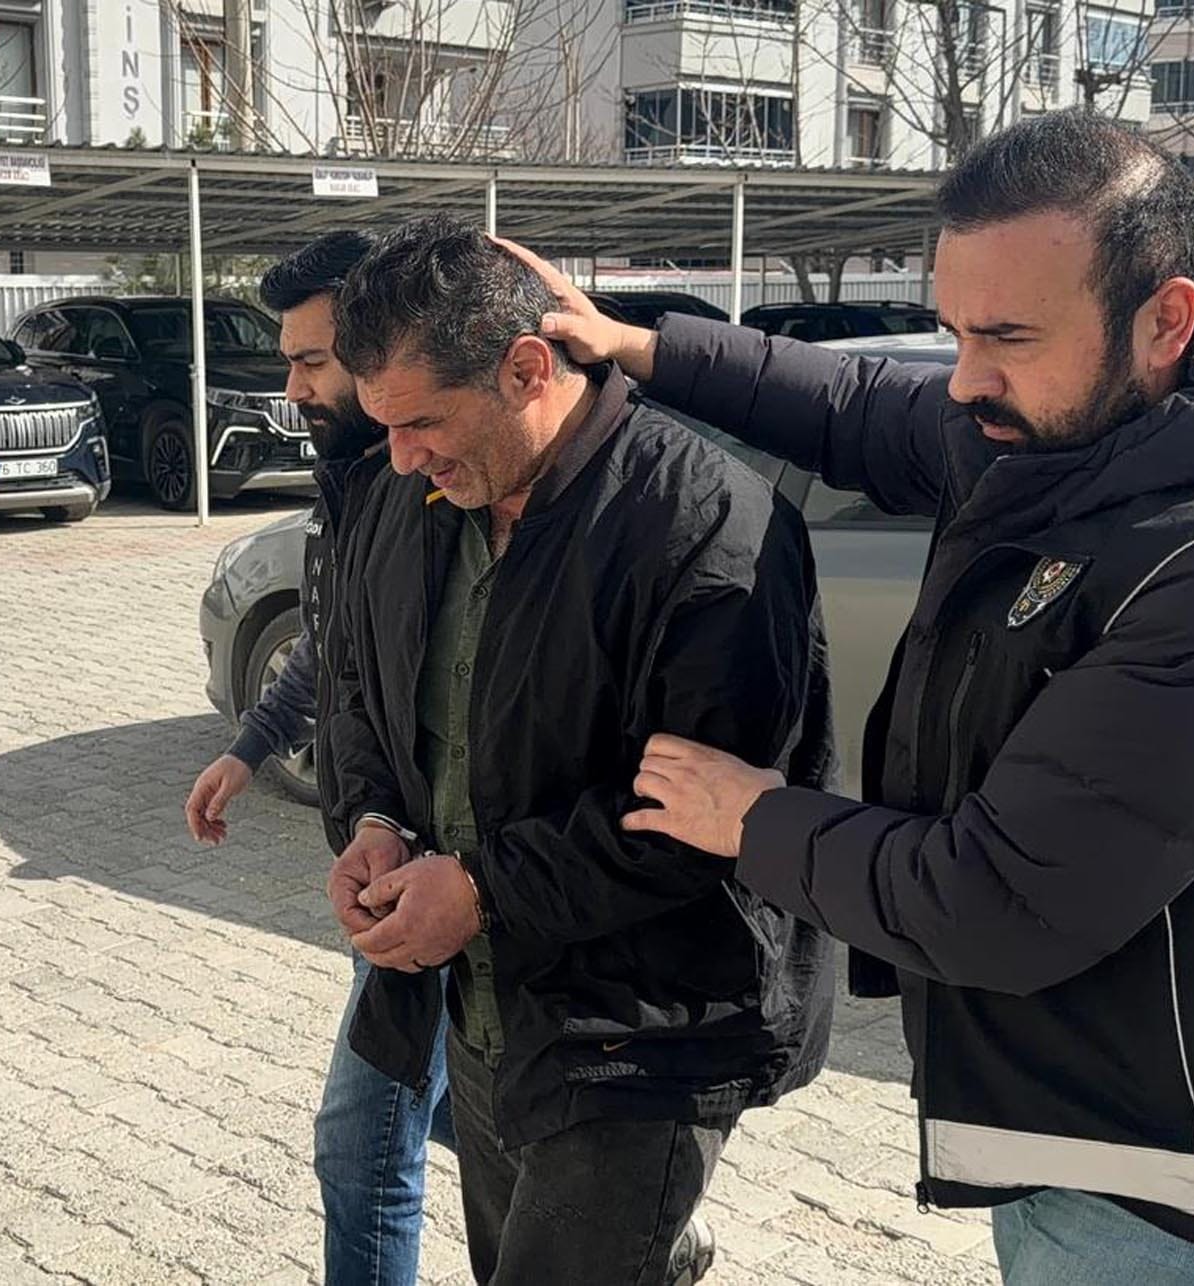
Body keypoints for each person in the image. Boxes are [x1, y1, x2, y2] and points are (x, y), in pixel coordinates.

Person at [516, 110, 1194, 1286]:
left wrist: (753, 818)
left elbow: (997, 898)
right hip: (1100, 1125)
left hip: (1180, 1191)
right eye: (953, 331)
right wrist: (637, 345)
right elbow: (856, 409)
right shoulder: (1083, 432)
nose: (965, 378)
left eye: (1005, 337)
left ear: (1165, 319)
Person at [320, 216, 836, 1286]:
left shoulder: (708, 522)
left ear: (525, 369)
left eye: (422, 421)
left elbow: (703, 821)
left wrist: (481, 889)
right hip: (478, 1013)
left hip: (641, 1035)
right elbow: (359, 688)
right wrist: (373, 818)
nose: (402, 456)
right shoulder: (407, 498)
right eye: (385, 426)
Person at [180, 230, 453, 1286]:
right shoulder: (349, 477)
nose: (291, 387)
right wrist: (251, 746)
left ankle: (627, 1211)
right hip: (374, 854)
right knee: (445, 1102)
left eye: (310, 361)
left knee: (361, 1146)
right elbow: (335, 646)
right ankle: (631, 1213)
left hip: (432, 871)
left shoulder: (433, 490)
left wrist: (412, 836)